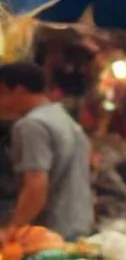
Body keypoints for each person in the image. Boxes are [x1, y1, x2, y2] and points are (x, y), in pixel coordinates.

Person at [0, 61, 93, 239]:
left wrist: (11, 230)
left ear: (19, 91)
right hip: (79, 225)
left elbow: (36, 185)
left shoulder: (30, 125)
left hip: (48, 234)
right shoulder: (65, 119)